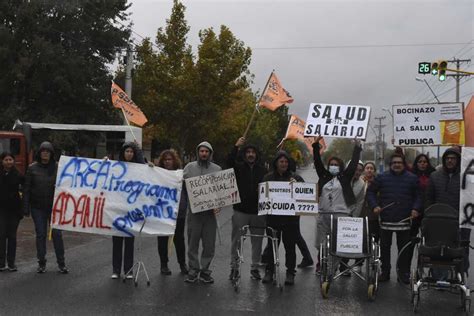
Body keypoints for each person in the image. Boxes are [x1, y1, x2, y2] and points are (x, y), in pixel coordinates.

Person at [367, 153, 421, 283]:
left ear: (404, 164)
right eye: (394, 163)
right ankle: (385, 272)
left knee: (403, 249)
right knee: (384, 249)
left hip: (404, 220)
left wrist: (416, 209)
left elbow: (419, 196)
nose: (397, 164)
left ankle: (402, 274)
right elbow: (370, 192)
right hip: (386, 220)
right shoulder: (381, 177)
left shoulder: (412, 178)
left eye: (399, 162)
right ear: (390, 165)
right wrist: (374, 206)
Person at [313, 137, 362, 274]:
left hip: (341, 215)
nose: (333, 166)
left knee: (339, 243)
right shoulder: (323, 176)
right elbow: (317, 161)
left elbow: (353, 163)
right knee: (322, 244)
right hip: (324, 215)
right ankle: (322, 265)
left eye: (336, 164)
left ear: (340, 166)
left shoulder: (346, 177)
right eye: (331, 164)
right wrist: (316, 145)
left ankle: (334, 267)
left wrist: (357, 147)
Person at [23, 141, 68, 274]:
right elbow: (26, 189)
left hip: (54, 208)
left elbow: (68, 183)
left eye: (48, 151)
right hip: (37, 208)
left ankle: (62, 263)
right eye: (43, 151)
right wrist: (25, 207)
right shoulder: (32, 168)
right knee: (41, 234)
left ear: (51, 154)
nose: (45, 153)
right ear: (39, 153)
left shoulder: (58, 167)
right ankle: (41, 262)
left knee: (57, 235)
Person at [261, 151, 304, 286]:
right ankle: (269, 271)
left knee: (290, 247)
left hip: (290, 221)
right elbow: (262, 195)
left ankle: (290, 272)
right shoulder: (268, 178)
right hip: (273, 219)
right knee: (272, 246)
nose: (284, 164)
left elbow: (305, 196)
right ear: (276, 163)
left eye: (286, 161)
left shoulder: (296, 177)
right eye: (281, 161)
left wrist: (297, 185)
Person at [426, 147, 470, 274]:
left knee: (461, 247)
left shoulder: (466, 177)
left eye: (453, 158)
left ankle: (460, 274)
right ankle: (438, 276)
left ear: (458, 160)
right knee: (438, 247)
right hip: (439, 220)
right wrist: (429, 215)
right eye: (448, 158)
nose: (450, 161)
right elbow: (429, 198)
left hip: (460, 220)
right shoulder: (434, 176)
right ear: (444, 160)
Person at [228, 137, 267, 281]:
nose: (251, 154)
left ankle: (255, 268)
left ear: (256, 155)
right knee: (237, 241)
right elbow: (229, 163)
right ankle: (234, 267)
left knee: (257, 242)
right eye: (248, 152)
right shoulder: (238, 168)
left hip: (258, 212)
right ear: (244, 154)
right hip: (240, 211)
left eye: (253, 152)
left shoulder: (263, 170)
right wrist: (235, 147)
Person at [183, 141, 221, 284]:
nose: (204, 153)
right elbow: (176, 181)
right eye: (201, 151)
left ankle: (205, 271)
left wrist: (218, 205)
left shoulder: (217, 169)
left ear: (210, 154)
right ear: (198, 152)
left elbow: (222, 191)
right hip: (194, 213)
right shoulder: (189, 168)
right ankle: (193, 270)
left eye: (206, 151)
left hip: (210, 215)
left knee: (209, 244)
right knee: (192, 243)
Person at [111, 142, 145, 279]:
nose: (129, 154)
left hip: (131, 211)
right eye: (127, 151)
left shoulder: (139, 169)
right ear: (123, 153)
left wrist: (151, 168)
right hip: (117, 210)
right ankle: (116, 270)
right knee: (117, 241)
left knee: (129, 241)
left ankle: (129, 270)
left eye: (132, 152)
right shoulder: (116, 167)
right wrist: (104, 164)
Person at [155, 149, 188, 275]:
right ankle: (164, 264)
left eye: (170, 159)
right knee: (162, 239)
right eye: (165, 160)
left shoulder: (181, 174)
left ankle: (182, 264)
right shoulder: (157, 174)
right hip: (162, 212)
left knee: (179, 239)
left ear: (175, 161)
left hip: (178, 212)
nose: (167, 162)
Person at [339, 161, 366, 275]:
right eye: (356, 169)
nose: (358, 172)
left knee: (348, 240)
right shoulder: (341, 179)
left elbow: (359, 202)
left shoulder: (362, 184)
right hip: (338, 212)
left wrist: (353, 218)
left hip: (351, 215)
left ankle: (344, 266)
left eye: (360, 170)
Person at [0, 152, 24, 272]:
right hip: (1, 210)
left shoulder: (18, 175)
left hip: (14, 210)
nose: (8, 161)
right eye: (6, 159)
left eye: (10, 159)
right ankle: (1, 263)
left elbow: (27, 187)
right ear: (2, 161)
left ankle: (11, 263)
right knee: (1, 235)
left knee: (12, 236)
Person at [411, 154, 435, 237]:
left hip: (429, 209)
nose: (422, 164)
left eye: (424, 162)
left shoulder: (433, 175)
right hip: (414, 210)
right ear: (416, 163)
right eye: (420, 162)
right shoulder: (411, 175)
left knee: (428, 235)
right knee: (412, 236)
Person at [360, 162, 379, 243]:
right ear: (364, 170)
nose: (369, 170)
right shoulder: (360, 182)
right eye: (367, 168)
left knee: (374, 238)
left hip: (374, 215)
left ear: (374, 171)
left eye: (371, 168)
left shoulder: (378, 183)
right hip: (361, 214)